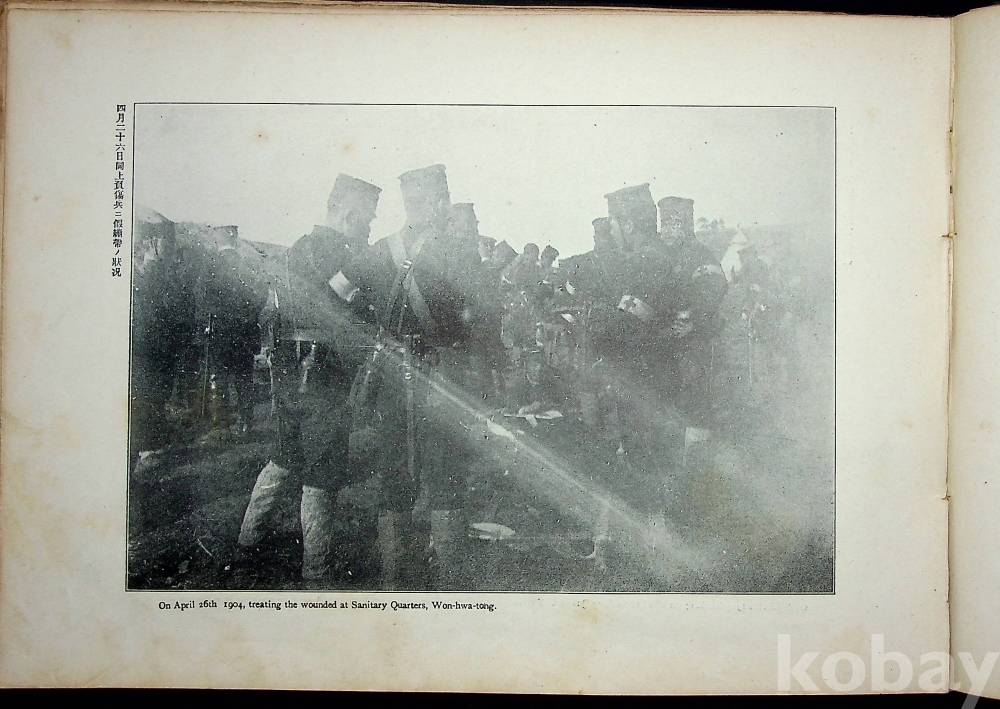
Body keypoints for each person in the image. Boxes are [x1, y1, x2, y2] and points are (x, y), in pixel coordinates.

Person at [234, 173, 381, 587]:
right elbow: (347, 315)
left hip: (290, 374)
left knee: (285, 455)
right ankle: (317, 571)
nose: (369, 227)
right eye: (367, 219)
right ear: (348, 214)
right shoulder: (338, 255)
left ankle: (248, 539)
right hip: (322, 375)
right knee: (322, 472)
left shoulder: (300, 248)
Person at [343, 164, 481, 591]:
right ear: (438, 203)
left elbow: (337, 296)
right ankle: (451, 584)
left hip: (390, 383)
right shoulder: (458, 253)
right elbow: (479, 321)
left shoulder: (378, 251)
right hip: (441, 384)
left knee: (393, 478)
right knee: (445, 479)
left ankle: (393, 582)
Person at [656, 196, 728, 468]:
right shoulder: (670, 256)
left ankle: (697, 467)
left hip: (695, 342)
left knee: (695, 401)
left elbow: (714, 288)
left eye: (670, 224)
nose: (665, 231)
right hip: (674, 343)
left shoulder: (698, 254)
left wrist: (692, 319)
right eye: (664, 224)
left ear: (683, 224)